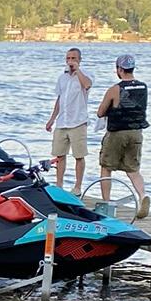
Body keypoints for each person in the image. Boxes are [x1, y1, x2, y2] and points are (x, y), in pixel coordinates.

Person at [97, 53, 150, 217]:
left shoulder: (115, 89)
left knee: (106, 167)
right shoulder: (143, 87)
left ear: (120, 69)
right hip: (136, 133)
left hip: (117, 133)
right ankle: (143, 195)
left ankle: (106, 203)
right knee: (133, 169)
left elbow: (100, 112)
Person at [45, 46, 93, 192]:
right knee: (59, 154)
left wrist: (78, 71)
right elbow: (59, 99)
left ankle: (77, 186)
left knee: (79, 155)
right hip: (62, 121)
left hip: (78, 121)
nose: (70, 61)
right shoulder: (62, 77)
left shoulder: (85, 75)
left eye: (73, 58)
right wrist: (52, 119)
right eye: (68, 58)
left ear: (79, 60)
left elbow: (87, 85)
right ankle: (59, 185)